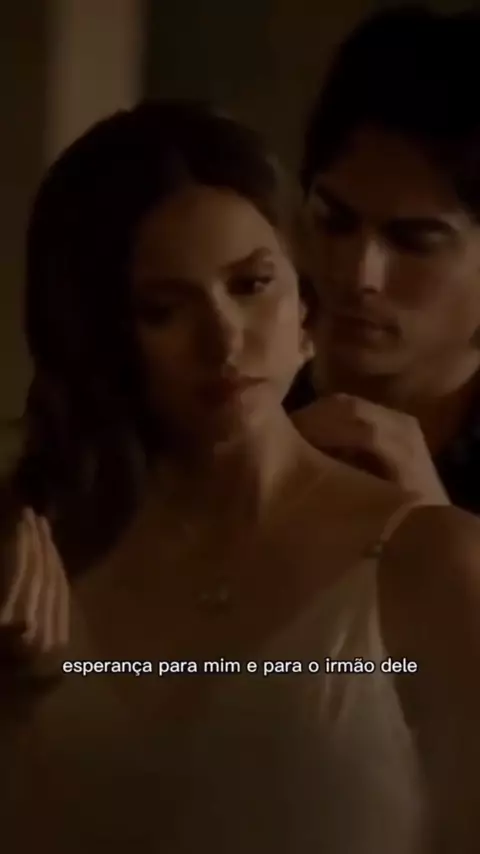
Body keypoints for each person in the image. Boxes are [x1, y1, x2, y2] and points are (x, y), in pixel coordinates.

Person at [0, 100, 479, 854]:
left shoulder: (432, 561)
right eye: (164, 309)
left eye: (251, 285)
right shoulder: (39, 559)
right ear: (103, 337)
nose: (224, 339)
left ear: (304, 303)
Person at [288, 6, 480, 514]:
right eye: (334, 221)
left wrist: (435, 530)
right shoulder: (228, 407)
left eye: (414, 241)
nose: (357, 275)